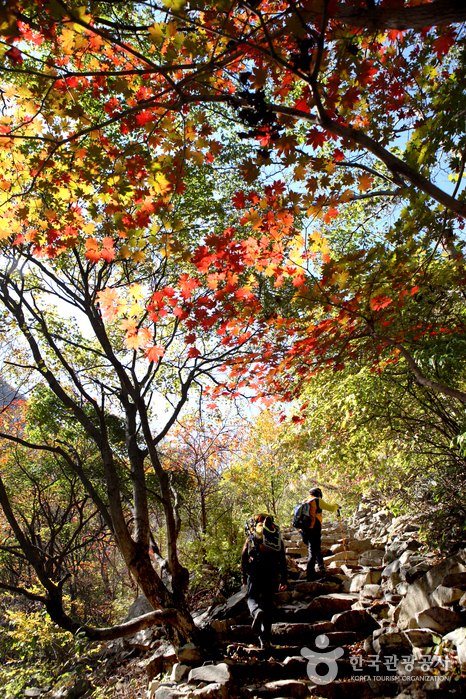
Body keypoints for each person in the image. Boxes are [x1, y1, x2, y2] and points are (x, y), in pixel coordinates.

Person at [241, 513, 287, 649]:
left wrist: (244, 576)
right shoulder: (275, 536)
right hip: (272, 571)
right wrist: (283, 579)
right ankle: (265, 639)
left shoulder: (253, 536)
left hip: (255, 570)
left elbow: (244, 556)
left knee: (251, 598)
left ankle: (256, 611)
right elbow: (282, 559)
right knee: (268, 604)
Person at [299, 488, 340, 581]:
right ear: (319, 494)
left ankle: (321, 565)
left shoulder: (305, 501)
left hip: (303, 530)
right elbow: (331, 508)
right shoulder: (317, 500)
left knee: (315, 548)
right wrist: (337, 506)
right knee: (312, 551)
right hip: (313, 529)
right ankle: (310, 574)